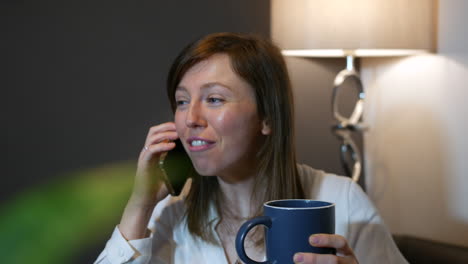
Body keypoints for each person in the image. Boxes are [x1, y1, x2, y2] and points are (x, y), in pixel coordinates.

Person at [94, 32, 407, 264]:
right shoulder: (167, 215)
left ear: (267, 117)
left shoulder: (342, 201)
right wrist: (139, 205)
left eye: (214, 99)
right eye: (181, 101)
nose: (190, 119)